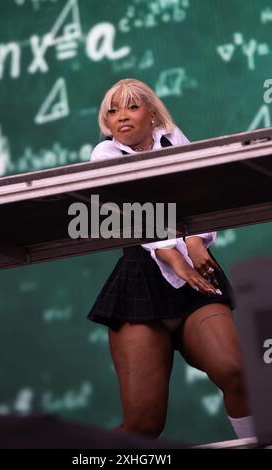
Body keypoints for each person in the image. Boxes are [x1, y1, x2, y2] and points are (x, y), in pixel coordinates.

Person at [87, 78, 254, 440]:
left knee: (238, 374)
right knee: (143, 427)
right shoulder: (104, 155)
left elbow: (201, 193)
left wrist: (195, 241)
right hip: (139, 283)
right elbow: (125, 213)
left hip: (197, 275)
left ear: (152, 111)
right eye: (112, 112)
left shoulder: (172, 137)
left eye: (132, 107)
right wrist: (172, 252)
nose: (122, 118)